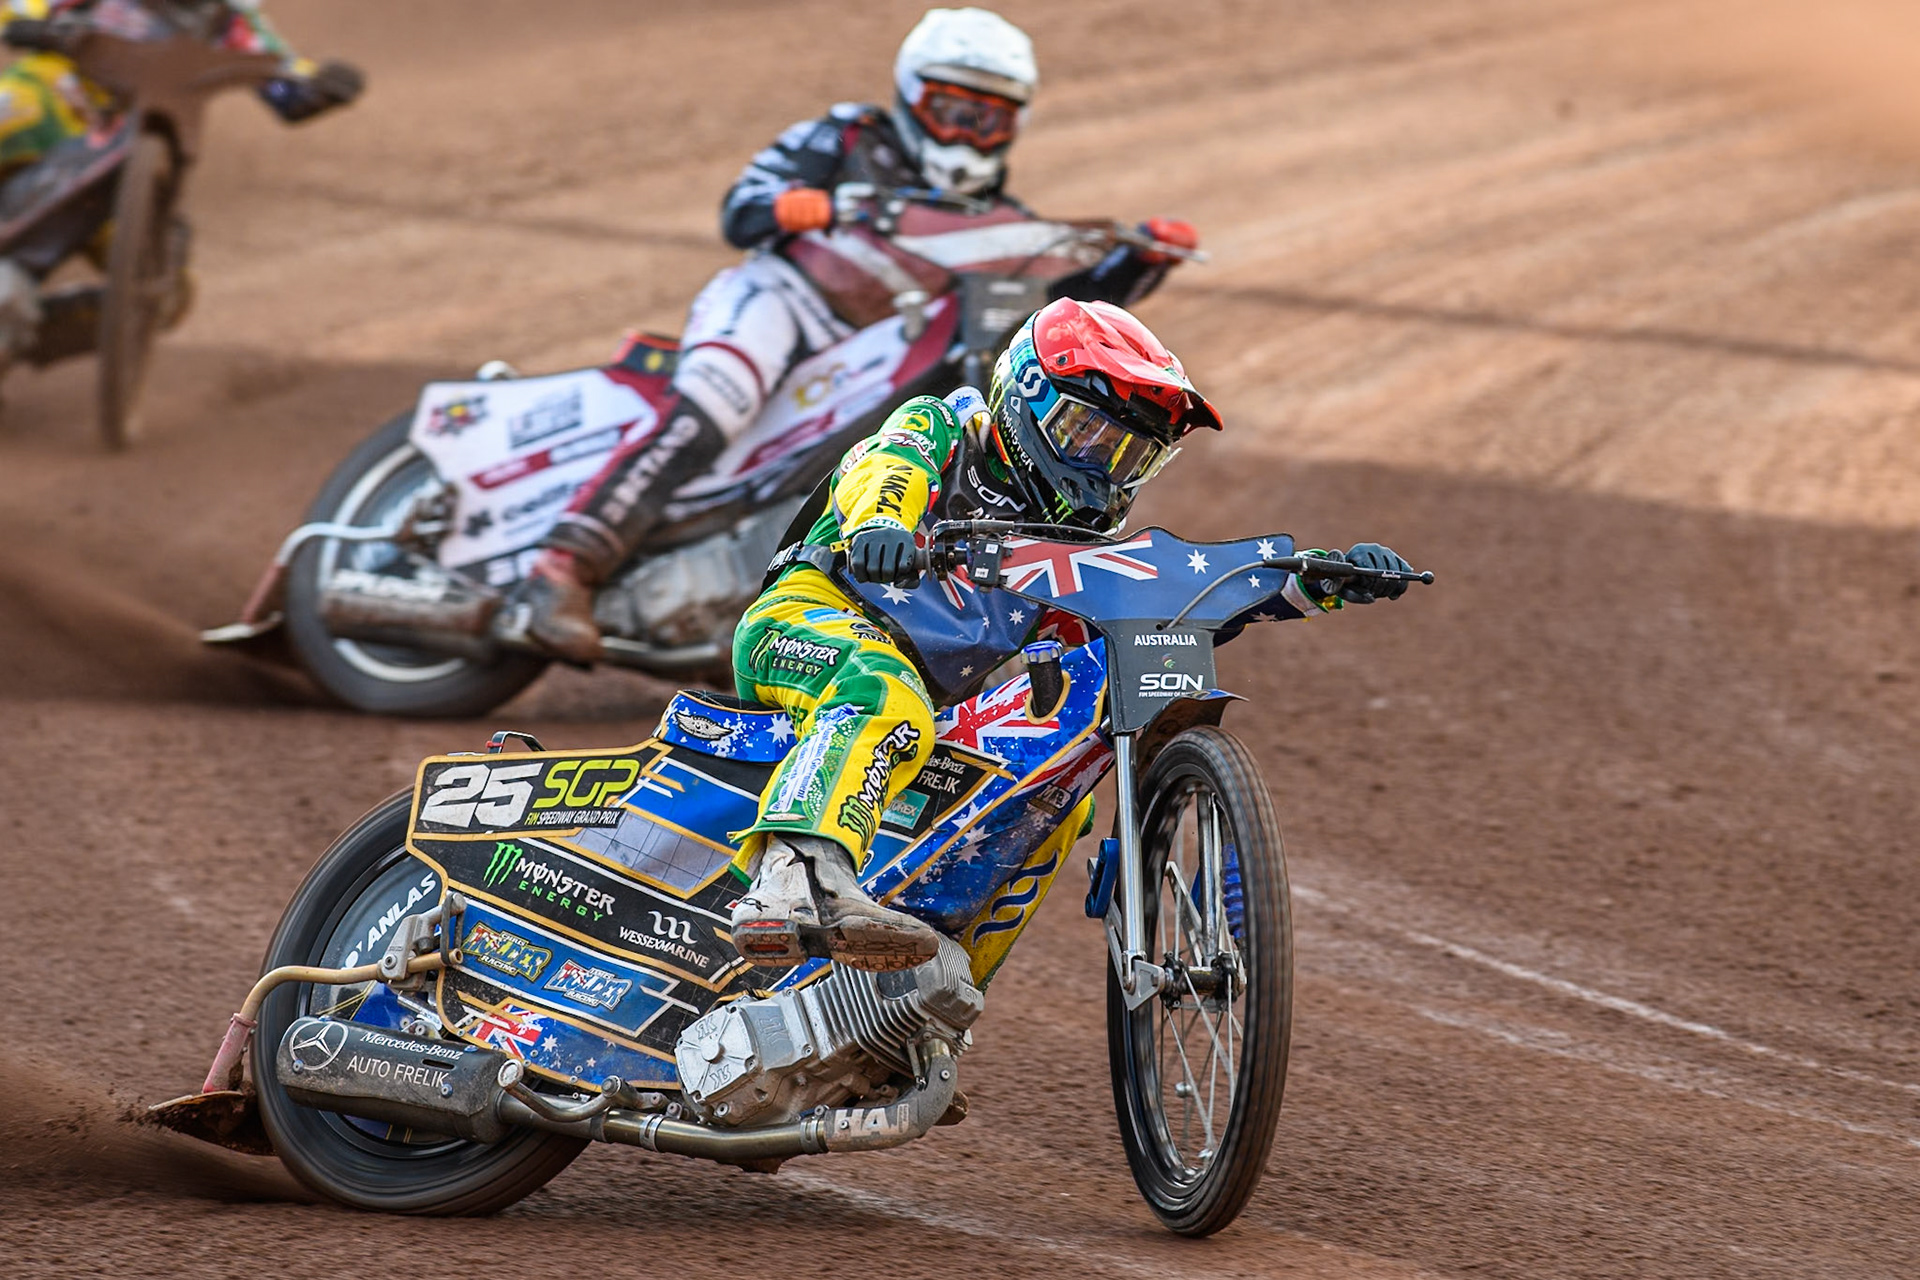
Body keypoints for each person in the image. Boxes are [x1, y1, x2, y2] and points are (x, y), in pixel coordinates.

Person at [723, 296, 1416, 971]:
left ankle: (935, 987)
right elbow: (887, 465)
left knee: (1055, 791)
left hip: (928, 701)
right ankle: (794, 878)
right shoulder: (948, 426)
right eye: (1090, 435)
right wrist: (881, 524)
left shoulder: (1073, 551)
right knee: (882, 689)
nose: (1104, 466)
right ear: (1026, 398)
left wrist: (1318, 582)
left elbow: (1173, 605)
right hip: (807, 619)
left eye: (1128, 455)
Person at [518, 5, 1201, 663]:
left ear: (1012, 126)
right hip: (787, 299)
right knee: (717, 400)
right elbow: (740, 207)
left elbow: (1041, 320)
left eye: (988, 118)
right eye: (952, 110)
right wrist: (794, 203)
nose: (966, 133)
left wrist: (1133, 265)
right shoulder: (845, 138)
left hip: (875, 352)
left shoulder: (998, 221)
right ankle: (563, 568)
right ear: (911, 96)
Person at [0, 0, 361, 357]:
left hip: (122, 159)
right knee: (16, 110)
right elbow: (25, 8)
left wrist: (322, 86)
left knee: (164, 293)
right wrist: (29, 23)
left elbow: (284, 82)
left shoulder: (229, 20)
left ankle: (25, 330)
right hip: (53, 97)